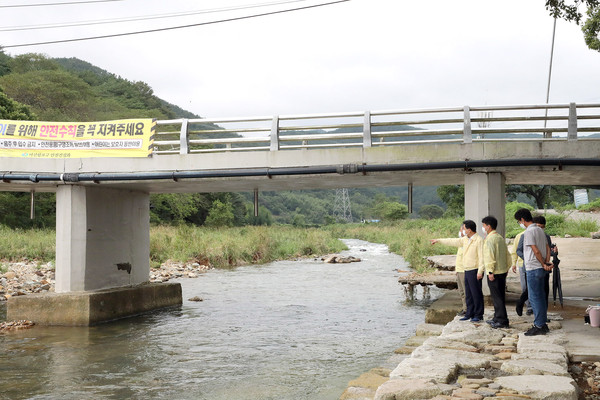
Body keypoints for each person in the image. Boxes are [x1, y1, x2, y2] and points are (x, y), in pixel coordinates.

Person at [431, 220, 485, 322]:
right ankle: (469, 313)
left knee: (476, 293)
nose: (463, 230)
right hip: (466, 270)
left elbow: (482, 257)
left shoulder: (478, 240)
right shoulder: (465, 239)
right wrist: (438, 240)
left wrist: (480, 271)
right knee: (468, 293)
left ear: (469, 230)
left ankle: (478, 314)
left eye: (464, 228)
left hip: (475, 270)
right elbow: (452, 241)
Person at [514, 209, 553, 336]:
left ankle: (539, 325)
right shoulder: (540, 230)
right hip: (540, 268)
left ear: (522, 220)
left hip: (533, 268)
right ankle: (542, 323)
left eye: (519, 221)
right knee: (540, 297)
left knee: (534, 297)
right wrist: (546, 262)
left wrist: (542, 263)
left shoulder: (529, 231)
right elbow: (547, 248)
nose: (520, 223)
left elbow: (536, 251)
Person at [480, 215, 511, 329]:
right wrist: (507, 267)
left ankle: (502, 320)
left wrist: (490, 272)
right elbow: (507, 255)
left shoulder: (490, 239)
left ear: (488, 226)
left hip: (495, 272)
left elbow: (489, 257)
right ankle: (497, 317)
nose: (483, 228)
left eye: (483, 225)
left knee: (497, 297)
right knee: (500, 296)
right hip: (502, 271)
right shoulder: (499, 237)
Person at [532, 215, 558, 312]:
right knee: (533, 291)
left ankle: (544, 312)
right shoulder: (527, 235)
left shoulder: (546, 236)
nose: (540, 229)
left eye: (542, 227)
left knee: (544, 290)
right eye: (538, 226)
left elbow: (548, 251)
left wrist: (554, 252)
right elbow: (520, 251)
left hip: (544, 268)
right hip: (533, 267)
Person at [511, 227, 532, 316]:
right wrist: (514, 263)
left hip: (534, 265)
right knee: (525, 287)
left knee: (532, 287)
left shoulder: (538, 234)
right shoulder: (520, 236)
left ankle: (532, 306)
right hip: (522, 264)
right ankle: (529, 307)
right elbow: (516, 251)